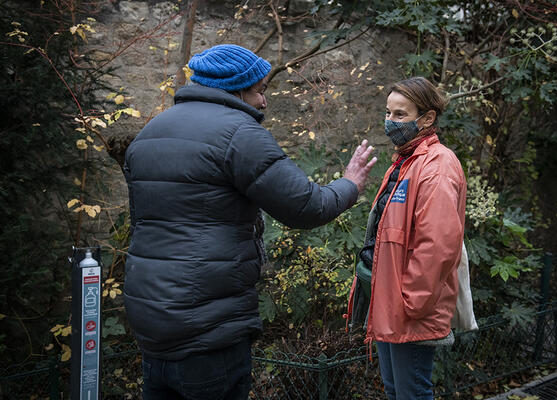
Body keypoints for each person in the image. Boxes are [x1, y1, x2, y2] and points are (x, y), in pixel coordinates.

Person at [123, 44, 376, 400]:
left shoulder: (148, 134)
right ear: (237, 87)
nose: (264, 102)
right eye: (260, 91)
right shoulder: (239, 134)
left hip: (151, 322)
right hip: (208, 329)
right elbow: (306, 207)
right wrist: (350, 183)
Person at [346, 77, 466, 400]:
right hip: (388, 302)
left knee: (412, 393)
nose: (390, 121)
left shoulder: (437, 166)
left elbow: (438, 245)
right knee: (395, 390)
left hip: (408, 309)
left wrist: (409, 302)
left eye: (400, 114)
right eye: (388, 112)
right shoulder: (405, 161)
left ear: (427, 119)